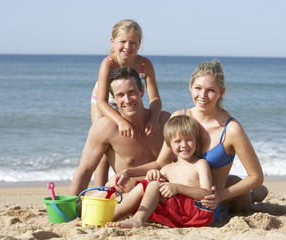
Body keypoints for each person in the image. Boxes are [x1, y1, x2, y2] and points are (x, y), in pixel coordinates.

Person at [107, 60, 268, 221]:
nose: (202, 96)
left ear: (221, 92)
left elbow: (256, 176)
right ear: (190, 87)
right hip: (178, 197)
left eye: (210, 90)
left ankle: (254, 195)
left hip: (209, 203)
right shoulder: (179, 117)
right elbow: (161, 162)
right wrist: (127, 172)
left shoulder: (231, 129)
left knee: (243, 202)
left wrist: (220, 195)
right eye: (198, 88)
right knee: (134, 188)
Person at [69, 67, 170, 196]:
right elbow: (85, 171)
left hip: (166, 194)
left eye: (132, 92)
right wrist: (69, 209)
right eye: (120, 95)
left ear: (142, 91)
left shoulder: (165, 121)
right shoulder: (105, 128)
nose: (127, 100)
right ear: (113, 97)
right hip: (130, 197)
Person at [106, 115, 214, 228]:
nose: (184, 145)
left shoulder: (200, 164)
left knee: (154, 185)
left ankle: (137, 220)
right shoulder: (167, 168)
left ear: (196, 140)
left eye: (189, 140)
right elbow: (149, 190)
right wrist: (152, 174)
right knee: (144, 187)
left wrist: (178, 188)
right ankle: (107, 218)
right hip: (177, 211)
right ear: (169, 144)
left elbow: (207, 194)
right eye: (177, 141)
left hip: (197, 213)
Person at [91, 19, 162, 187]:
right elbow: (101, 102)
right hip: (105, 101)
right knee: (103, 151)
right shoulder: (108, 63)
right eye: (122, 42)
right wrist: (120, 121)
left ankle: (131, 181)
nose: (127, 47)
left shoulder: (146, 64)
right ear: (113, 42)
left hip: (128, 99)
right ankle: (99, 194)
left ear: (139, 44)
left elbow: (155, 99)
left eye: (133, 43)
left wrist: (154, 118)